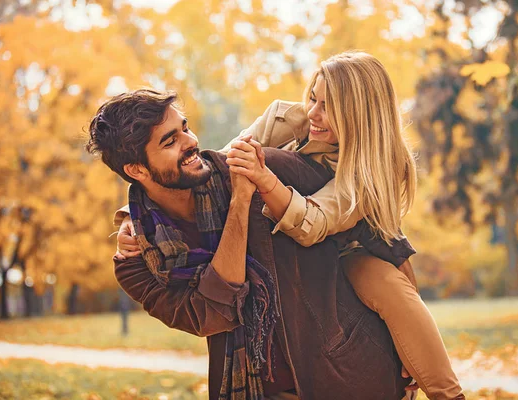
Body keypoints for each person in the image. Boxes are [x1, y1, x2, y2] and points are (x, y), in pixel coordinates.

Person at [87, 88, 413, 399]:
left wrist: (412, 351)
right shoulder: (137, 263)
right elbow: (211, 315)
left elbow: (376, 229)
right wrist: (240, 203)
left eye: (184, 128)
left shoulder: (262, 170)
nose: (191, 142)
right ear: (136, 169)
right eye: (170, 141)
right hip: (252, 389)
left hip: (347, 376)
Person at [223, 51, 464, 400]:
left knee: (389, 288)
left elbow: (315, 222)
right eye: (313, 98)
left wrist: (264, 178)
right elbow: (214, 164)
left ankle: (447, 393)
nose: (313, 113)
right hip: (288, 249)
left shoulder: (372, 165)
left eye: (328, 106)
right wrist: (132, 215)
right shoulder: (282, 119)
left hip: (356, 248)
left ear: (358, 114)